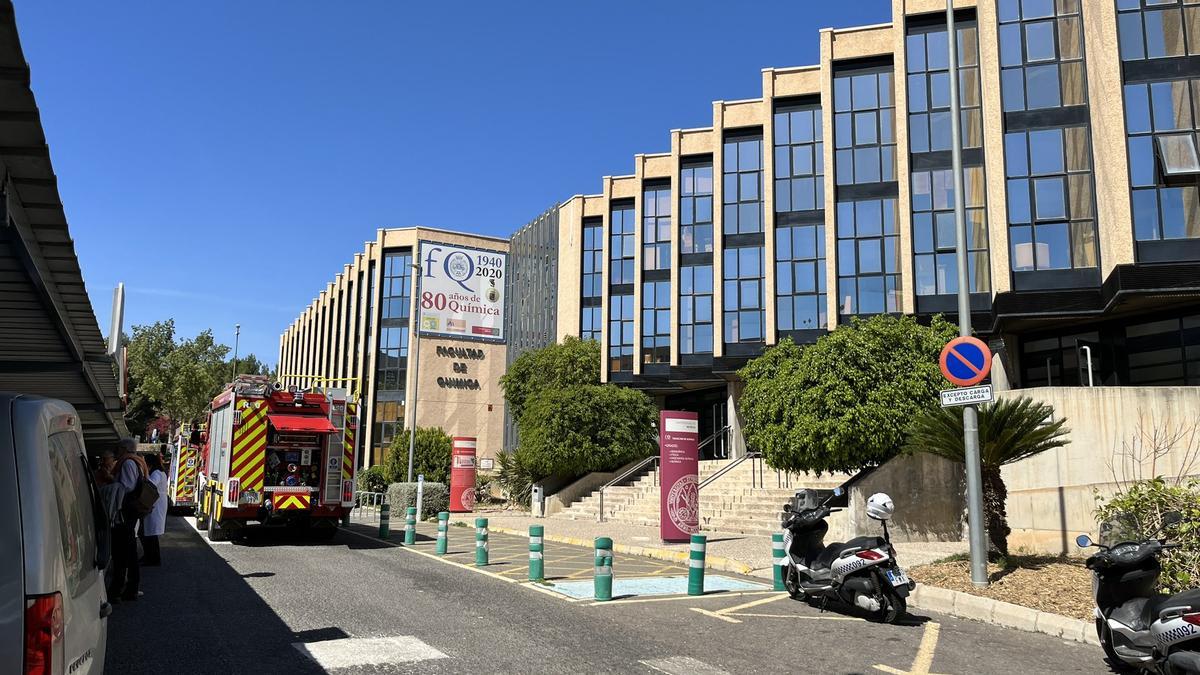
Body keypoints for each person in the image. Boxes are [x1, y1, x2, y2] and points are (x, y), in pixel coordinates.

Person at [109, 437, 146, 602]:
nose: (116, 451)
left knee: (121, 551)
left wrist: (111, 486)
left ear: (124, 448)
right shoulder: (136, 462)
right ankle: (130, 588)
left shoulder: (127, 463)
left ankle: (118, 589)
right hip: (131, 512)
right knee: (129, 551)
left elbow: (127, 486)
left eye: (118, 448)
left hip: (125, 512)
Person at [139, 454, 169, 566]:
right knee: (150, 532)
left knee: (151, 533)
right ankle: (149, 556)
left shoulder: (156, 473)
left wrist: (144, 475)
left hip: (155, 503)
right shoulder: (160, 471)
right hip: (157, 502)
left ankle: (153, 558)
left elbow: (151, 484)